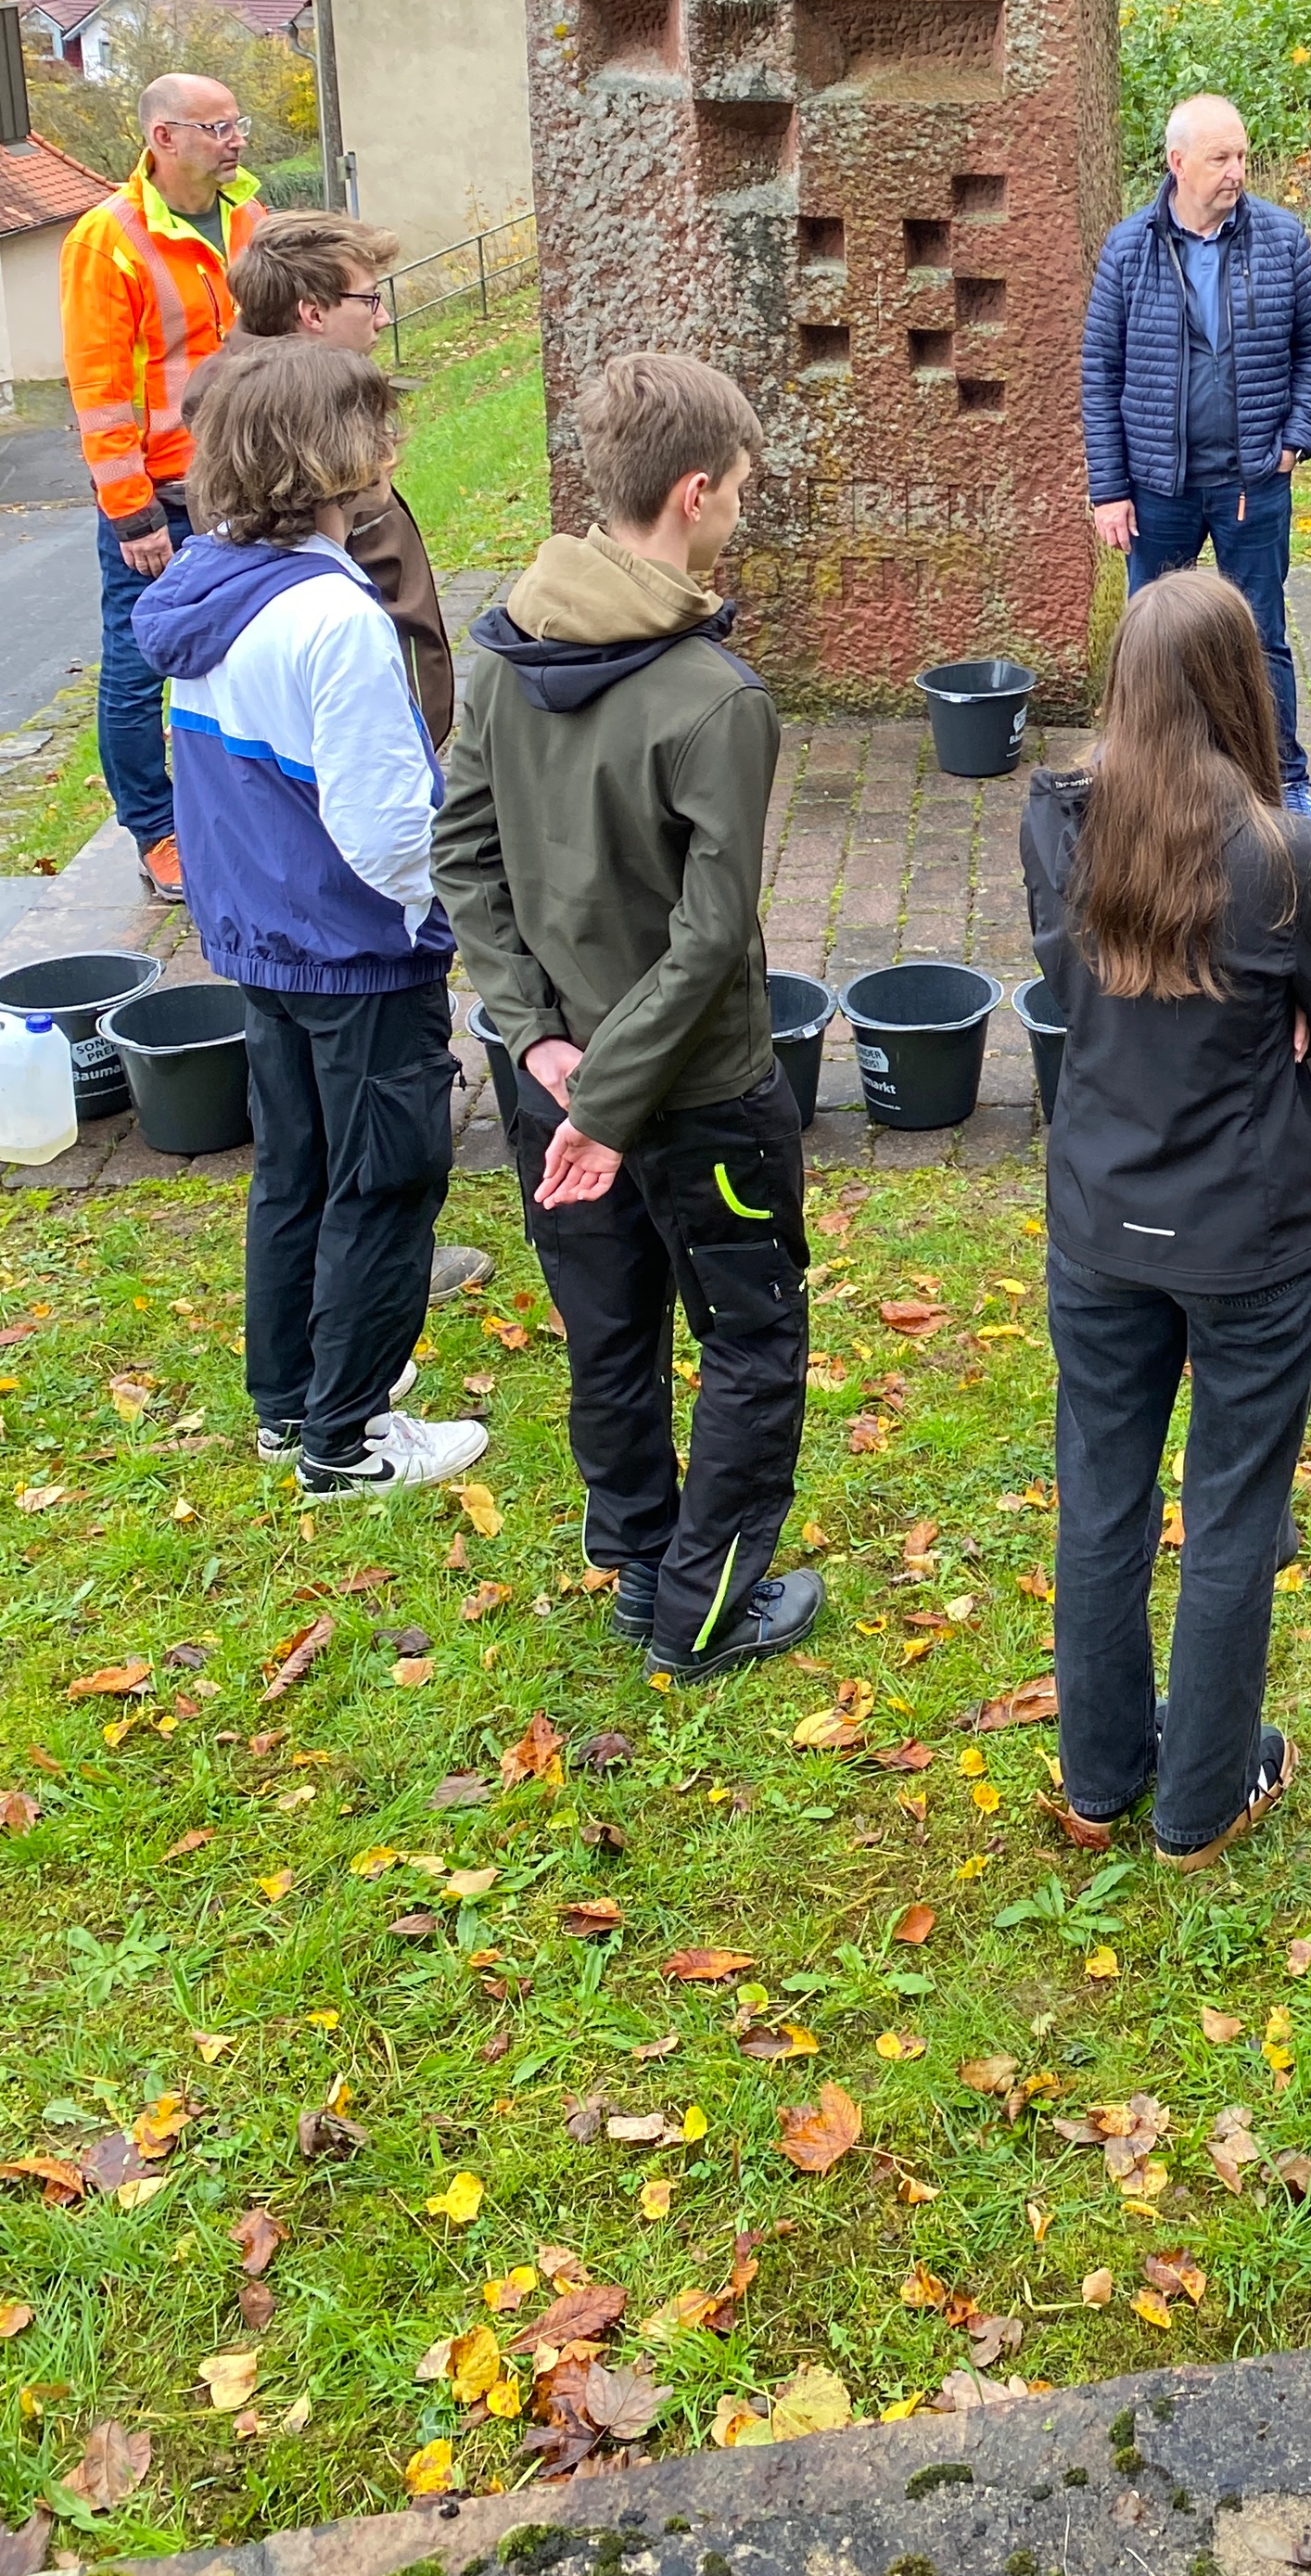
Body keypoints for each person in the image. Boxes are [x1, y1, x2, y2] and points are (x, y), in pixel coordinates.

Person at [433, 351, 821, 1680]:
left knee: (610, 1326)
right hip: (701, 1094)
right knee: (754, 1338)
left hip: (551, 1085)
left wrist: (534, 1037)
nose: (743, 516)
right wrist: (596, 1094)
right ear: (696, 494)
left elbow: (462, 859)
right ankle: (701, 1611)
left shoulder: (503, 642)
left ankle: (638, 1559)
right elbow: (712, 937)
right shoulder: (718, 701)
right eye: (743, 493)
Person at [1023, 569, 1311, 1867]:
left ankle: (1102, 1776)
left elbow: (1074, 984)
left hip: (1105, 1216)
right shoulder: (1286, 855)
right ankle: (1203, 1799)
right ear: (1242, 687)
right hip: (1250, 1238)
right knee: (1229, 1508)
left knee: (1101, 1497)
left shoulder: (1057, 820)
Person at [133, 349, 487, 1500]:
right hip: (355, 950)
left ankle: (286, 1405)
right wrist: (463, 915)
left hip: (256, 940)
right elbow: (387, 825)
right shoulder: (337, 615)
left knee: (294, 1166)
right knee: (386, 1176)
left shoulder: (206, 589)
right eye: (372, 432)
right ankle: (349, 1439)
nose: (389, 453)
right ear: (325, 459)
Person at [1080, 93, 1311, 813]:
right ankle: (1142, 777)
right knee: (1154, 642)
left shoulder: (1281, 239)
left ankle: (1282, 783)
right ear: (1178, 162)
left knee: (1262, 639)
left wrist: (1294, 440)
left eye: (1243, 156)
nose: (1236, 171)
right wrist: (1109, 488)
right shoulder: (1129, 248)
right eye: (1221, 158)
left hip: (1251, 482)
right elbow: (1100, 371)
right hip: (1156, 487)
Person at [59, 73, 266, 899]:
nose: (235, 140)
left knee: (244, 650)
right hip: (163, 498)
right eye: (215, 128)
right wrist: (134, 514)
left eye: (236, 123)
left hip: (246, 476)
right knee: (140, 665)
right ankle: (158, 830)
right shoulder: (104, 242)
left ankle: (240, 806)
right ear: (163, 139)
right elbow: (100, 393)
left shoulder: (249, 216)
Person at [205, 212, 456, 741]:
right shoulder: (286, 423)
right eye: (369, 300)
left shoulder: (273, 401)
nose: (383, 317)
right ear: (312, 313)